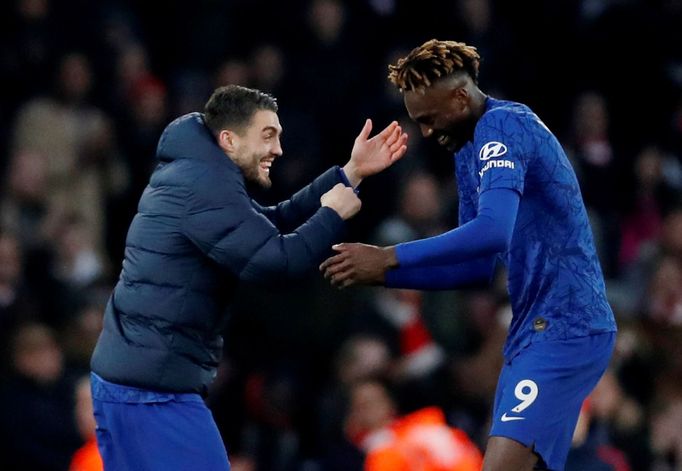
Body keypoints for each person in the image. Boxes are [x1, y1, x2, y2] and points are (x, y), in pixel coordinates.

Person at [320, 39, 617, 471]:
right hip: (533, 329)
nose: (424, 131)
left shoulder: (503, 126)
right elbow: (476, 267)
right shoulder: (467, 147)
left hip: (565, 326)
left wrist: (387, 257)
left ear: (460, 97)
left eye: (429, 117)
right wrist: (383, 276)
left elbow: (492, 232)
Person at [89, 84, 408, 470]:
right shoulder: (203, 187)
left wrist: (350, 173)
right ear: (229, 139)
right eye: (268, 135)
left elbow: (270, 221)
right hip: (153, 395)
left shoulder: (199, 174)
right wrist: (332, 216)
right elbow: (277, 262)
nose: (278, 149)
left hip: (132, 382)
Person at [344, 379, 483, 471]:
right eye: (361, 406)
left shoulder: (425, 429)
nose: (370, 410)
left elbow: (464, 460)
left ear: (390, 404)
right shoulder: (349, 455)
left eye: (374, 402)